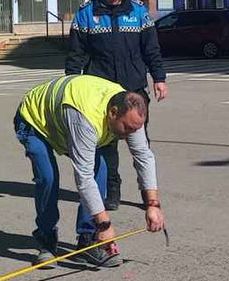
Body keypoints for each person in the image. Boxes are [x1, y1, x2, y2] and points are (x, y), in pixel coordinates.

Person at [15, 74, 167, 269]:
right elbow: (84, 177)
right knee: (48, 177)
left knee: (100, 169)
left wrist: (153, 205)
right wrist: (105, 224)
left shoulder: (131, 114)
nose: (130, 134)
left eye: (134, 130)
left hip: (65, 121)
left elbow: (143, 156)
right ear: (113, 112)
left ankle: (87, 241)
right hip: (35, 121)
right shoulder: (86, 118)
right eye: (127, 128)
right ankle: (47, 241)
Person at [65, 0, 167, 212]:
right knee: (106, 146)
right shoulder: (86, 13)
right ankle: (112, 189)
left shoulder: (138, 11)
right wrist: (71, 83)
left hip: (134, 89)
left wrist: (159, 78)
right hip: (102, 94)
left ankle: (148, 193)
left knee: (140, 144)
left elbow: (151, 48)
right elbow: (76, 54)